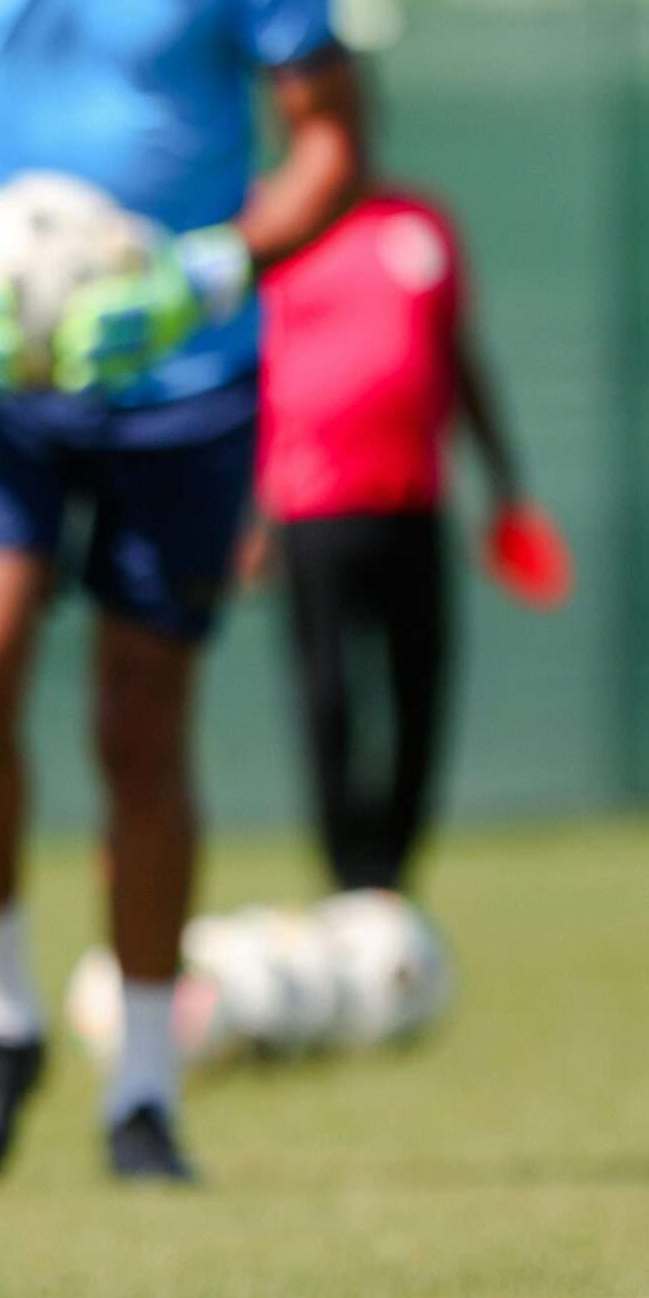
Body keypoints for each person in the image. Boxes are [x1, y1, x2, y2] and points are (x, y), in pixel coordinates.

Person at [0, 0, 364, 1184]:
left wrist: (203, 273)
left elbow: (330, 145)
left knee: (139, 717)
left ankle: (147, 1088)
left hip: (186, 377)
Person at [251, 180, 525, 895]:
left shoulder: (423, 225)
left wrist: (505, 488)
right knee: (330, 696)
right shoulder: (270, 226)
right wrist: (244, 509)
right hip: (312, 510)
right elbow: (239, 369)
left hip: (416, 504)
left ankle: (393, 877)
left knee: (420, 696)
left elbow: (460, 357)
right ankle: (349, 876)